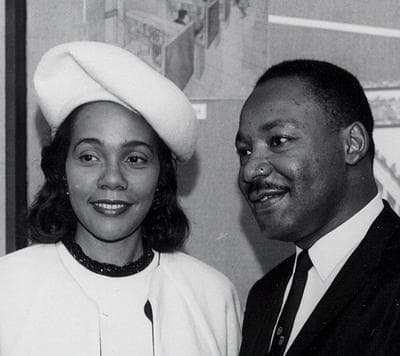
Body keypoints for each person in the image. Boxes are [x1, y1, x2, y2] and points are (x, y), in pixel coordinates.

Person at [0, 41, 241, 356]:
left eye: (135, 159)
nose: (112, 178)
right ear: (62, 171)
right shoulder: (8, 288)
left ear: (161, 177)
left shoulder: (212, 297)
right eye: (89, 157)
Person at [236, 59, 400, 355]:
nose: (249, 170)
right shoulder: (265, 296)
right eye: (244, 151)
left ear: (352, 144)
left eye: (278, 141)